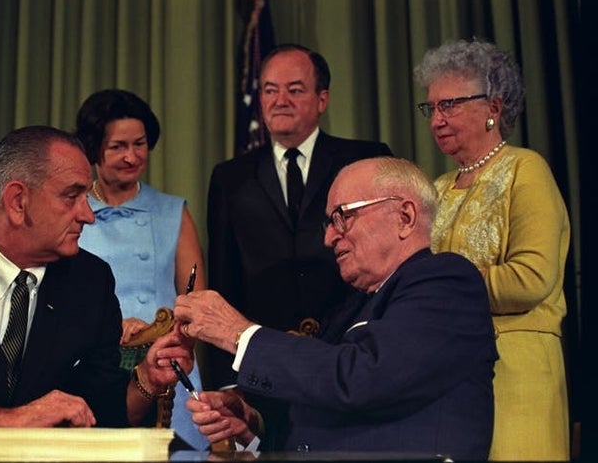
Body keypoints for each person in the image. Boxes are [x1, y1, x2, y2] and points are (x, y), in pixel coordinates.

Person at [176, 157, 498, 460]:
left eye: (342, 217)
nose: (329, 238)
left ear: (405, 217)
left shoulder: (447, 283)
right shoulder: (352, 305)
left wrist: (238, 333)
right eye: (328, 223)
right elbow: (320, 405)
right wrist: (253, 424)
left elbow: (362, 379)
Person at [0, 125, 193, 428]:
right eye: (72, 197)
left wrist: (147, 381)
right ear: (18, 202)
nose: (88, 215)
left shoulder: (90, 282)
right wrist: (3, 420)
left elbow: (103, 412)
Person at [413, 39, 571, 461]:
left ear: (494, 108)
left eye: (450, 105)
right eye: (431, 108)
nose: (437, 120)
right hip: (449, 376)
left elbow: (533, 278)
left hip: (518, 374)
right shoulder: (437, 188)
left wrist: (441, 293)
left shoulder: (526, 169)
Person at [206, 43, 392, 399]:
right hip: (262, 361)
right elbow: (224, 279)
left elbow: (390, 264)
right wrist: (227, 380)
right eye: (270, 90)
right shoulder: (230, 177)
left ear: (322, 99)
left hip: (352, 352)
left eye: (295, 90)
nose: (280, 100)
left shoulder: (367, 158)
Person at [74, 89, 208, 450]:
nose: (131, 156)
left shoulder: (172, 211)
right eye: (118, 146)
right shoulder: (72, 214)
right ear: (93, 148)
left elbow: (197, 301)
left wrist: (155, 333)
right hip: (93, 367)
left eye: (140, 144)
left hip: (166, 364)